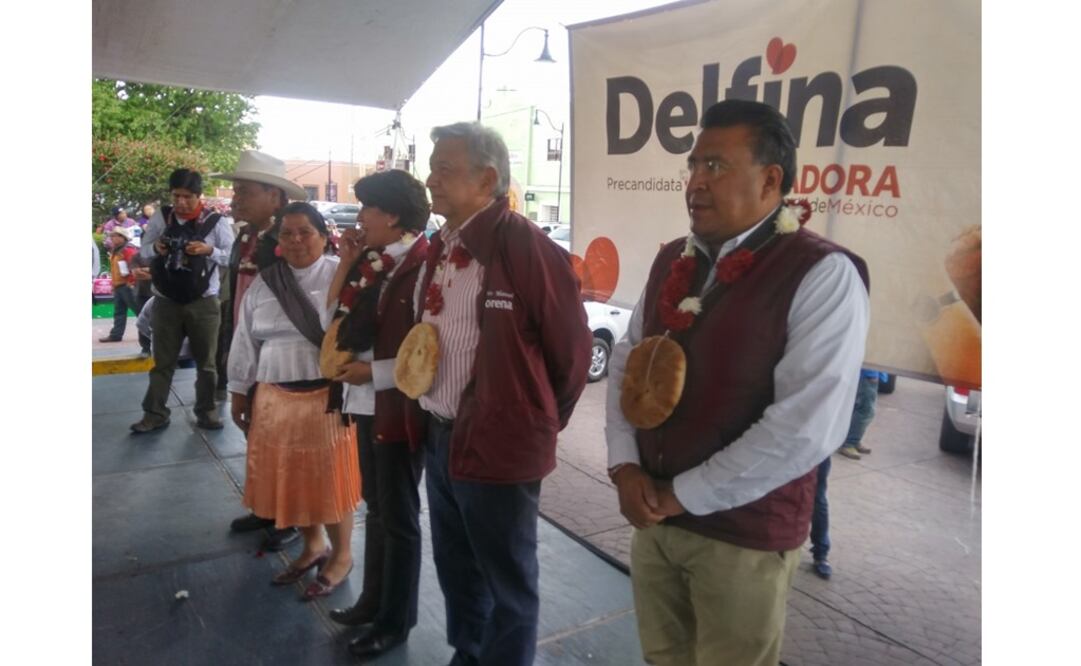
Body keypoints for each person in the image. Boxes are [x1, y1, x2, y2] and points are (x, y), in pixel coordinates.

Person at [604, 100, 870, 666]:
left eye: (716, 167)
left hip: (741, 538)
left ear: (771, 179)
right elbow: (628, 363)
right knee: (662, 658)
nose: (695, 183)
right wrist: (624, 468)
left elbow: (806, 429)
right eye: (693, 165)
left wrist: (680, 494)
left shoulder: (822, 272)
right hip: (652, 516)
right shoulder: (672, 261)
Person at [414, 122, 591, 666]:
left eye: (444, 168)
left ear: (487, 178)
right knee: (456, 565)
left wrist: (529, 421)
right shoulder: (443, 245)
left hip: (499, 443)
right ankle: (469, 654)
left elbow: (573, 353)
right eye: (432, 166)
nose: (430, 179)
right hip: (441, 435)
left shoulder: (522, 245)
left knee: (508, 578)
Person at [227, 202, 359, 598]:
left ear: (324, 235)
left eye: (306, 232)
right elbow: (245, 337)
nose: (296, 240)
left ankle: (342, 555)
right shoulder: (266, 282)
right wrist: (237, 389)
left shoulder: (344, 275)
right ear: (278, 240)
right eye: (287, 234)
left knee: (330, 481)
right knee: (294, 478)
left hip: (325, 397)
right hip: (273, 397)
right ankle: (313, 546)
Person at [323, 171, 431, 659]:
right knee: (377, 508)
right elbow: (334, 321)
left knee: (399, 515)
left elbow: (431, 345)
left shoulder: (421, 264)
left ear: (391, 215)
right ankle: (372, 600)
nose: (359, 217)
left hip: (395, 403)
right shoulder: (372, 262)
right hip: (364, 402)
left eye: (366, 209)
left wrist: (375, 373)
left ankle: (395, 619)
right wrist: (347, 261)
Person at [212, 150, 309, 552]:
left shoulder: (288, 242)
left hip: (280, 360)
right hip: (247, 350)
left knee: (287, 442)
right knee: (259, 437)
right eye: (236, 190)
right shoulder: (247, 236)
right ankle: (267, 507)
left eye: (245, 191)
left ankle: (293, 516)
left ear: (274, 195)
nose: (235, 198)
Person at [130, 169, 235, 434]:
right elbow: (142, 250)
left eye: (187, 196)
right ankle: (154, 413)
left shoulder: (216, 222)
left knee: (207, 363)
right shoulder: (161, 218)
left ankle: (206, 411)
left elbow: (232, 257)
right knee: (162, 362)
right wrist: (156, 249)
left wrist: (208, 250)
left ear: (199, 196)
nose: (181, 202)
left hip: (204, 301)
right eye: (176, 195)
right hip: (165, 300)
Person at [99, 227, 142, 343]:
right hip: (119, 286)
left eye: (114, 236)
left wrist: (132, 282)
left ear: (122, 238)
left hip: (127, 286)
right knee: (119, 312)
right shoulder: (116, 251)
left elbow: (134, 267)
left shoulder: (127, 251)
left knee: (139, 310)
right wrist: (114, 285)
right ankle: (116, 335)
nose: (112, 238)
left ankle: (151, 331)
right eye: (111, 236)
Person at [837, 368, 885, 460]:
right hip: (867, 374)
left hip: (868, 373)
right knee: (866, 411)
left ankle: (853, 440)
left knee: (857, 408)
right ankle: (849, 443)